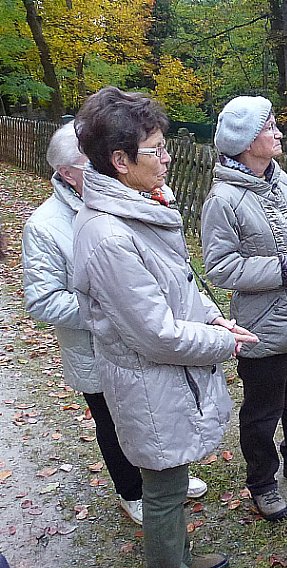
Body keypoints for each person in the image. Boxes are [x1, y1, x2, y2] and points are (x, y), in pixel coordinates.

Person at [72, 87, 258, 568]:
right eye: (156, 148)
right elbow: (154, 333)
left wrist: (214, 316)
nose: (167, 156)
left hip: (166, 381)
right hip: (150, 382)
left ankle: (175, 558)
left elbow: (180, 283)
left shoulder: (140, 211)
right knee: (161, 483)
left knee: (172, 479)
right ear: (120, 161)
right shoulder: (109, 236)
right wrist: (224, 342)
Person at [22, 123, 209, 526]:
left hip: (144, 336)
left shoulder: (140, 198)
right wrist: (109, 312)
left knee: (155, 413)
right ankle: (131, 490)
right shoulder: (45, 225)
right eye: (91, 161)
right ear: (68, 172)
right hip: (94, 349)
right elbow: (42, 299)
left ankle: (165, 479)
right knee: (115, 421)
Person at [201, 96, 287, 522]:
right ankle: (262, 482)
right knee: (262, 412)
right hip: (260, 325)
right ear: (244, 141)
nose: (278, 133)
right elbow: (220, 267)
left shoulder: (280, 182)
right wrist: (285, 268)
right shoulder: (223, 200)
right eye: (270, 127)